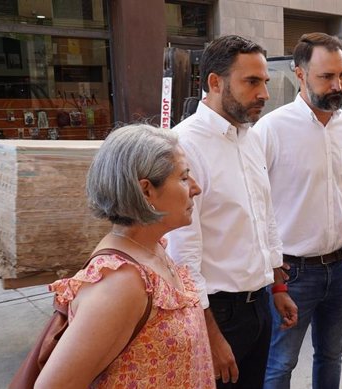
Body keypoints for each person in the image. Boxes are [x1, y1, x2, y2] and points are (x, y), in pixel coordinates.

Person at [35, 124, 214, 388]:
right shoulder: (122, 282)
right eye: (184, 178)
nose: (196, 188)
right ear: (146, 190)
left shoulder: (152, 249)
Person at [165, 35, 298, 389]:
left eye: (265, 82)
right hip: (218, 314)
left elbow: (265, 218)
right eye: (251, 82)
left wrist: (278, 287)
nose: (264, 94)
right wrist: (210, 333)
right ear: (215, 82)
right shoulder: (184, 146)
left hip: (259, 306)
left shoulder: (250, 137)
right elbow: (183, 256)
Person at [253, 32, 342, 389]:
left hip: (341, 269)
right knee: (280, 365)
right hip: (292, 275)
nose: (338, 85)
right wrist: (272, 270)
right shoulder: (270, 130)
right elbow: (255, 204)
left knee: (332, 355)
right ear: (300, 74)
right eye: (326, 77)